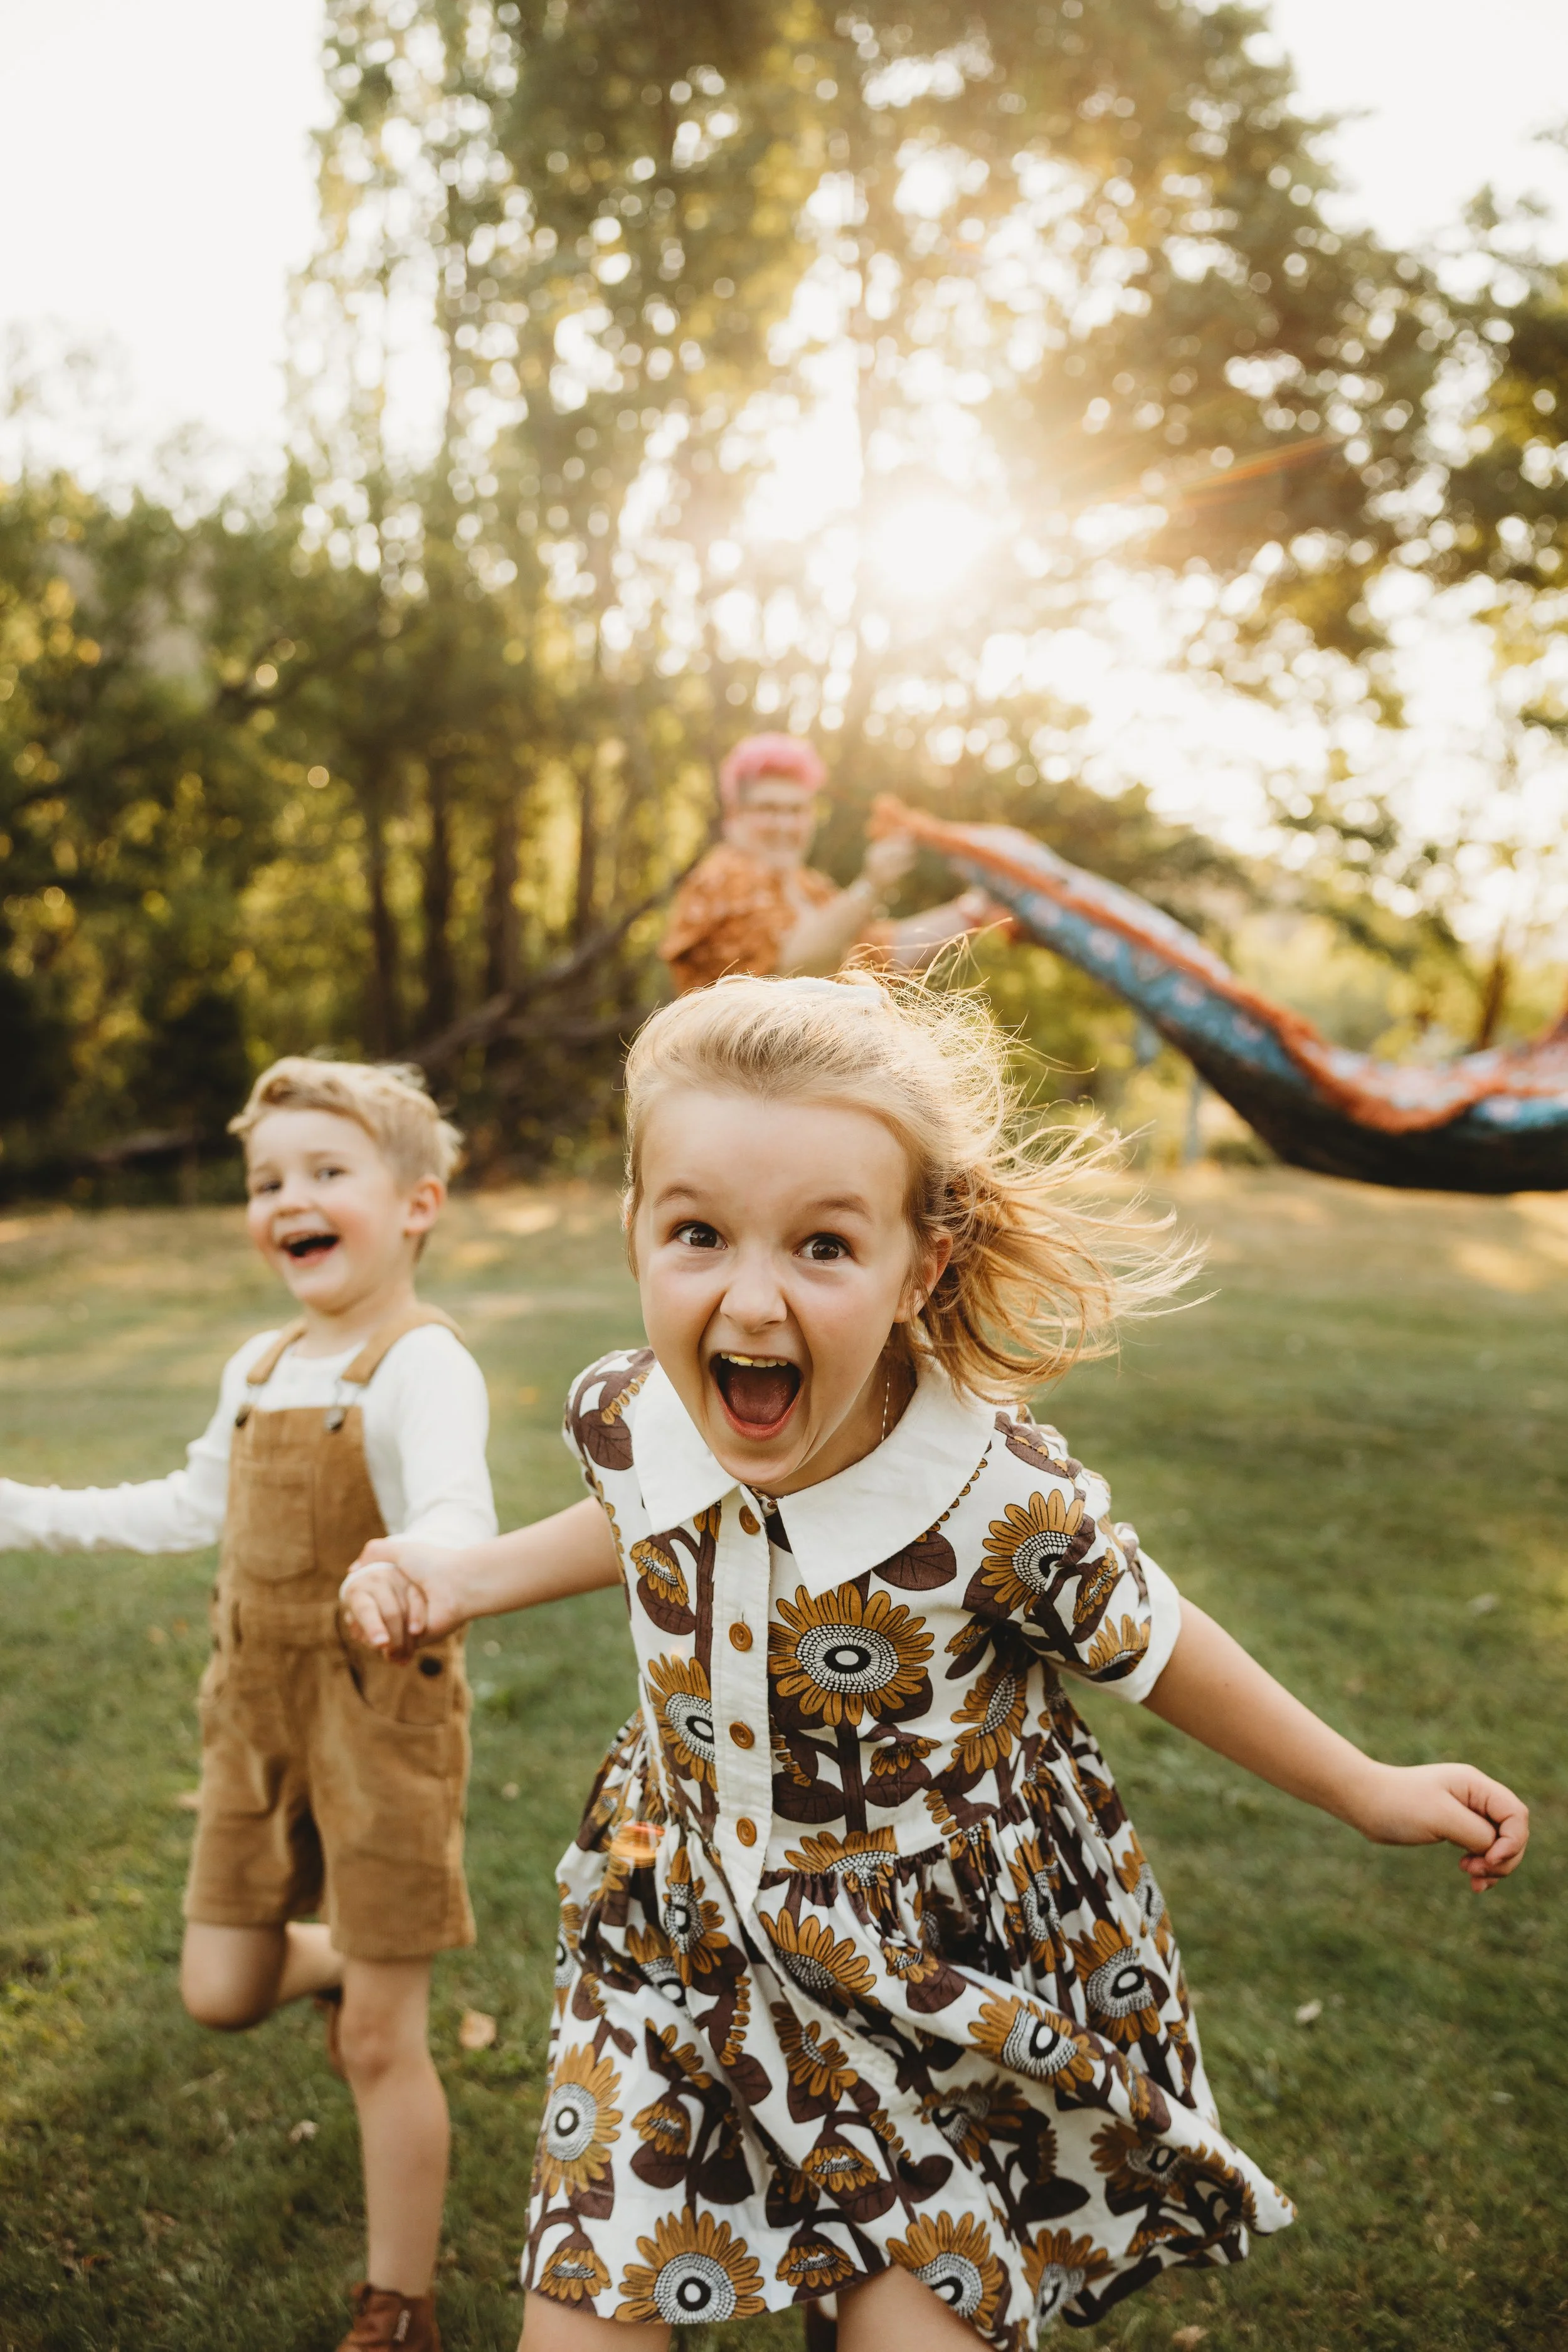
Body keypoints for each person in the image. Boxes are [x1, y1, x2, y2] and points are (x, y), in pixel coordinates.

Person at [339, 976, 1528, 2352]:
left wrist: (1366, 1785)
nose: (751, 1298)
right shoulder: (627, 1413)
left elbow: (1155, 1647)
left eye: (824, 1246)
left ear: (922, 1265)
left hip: (924, 1971)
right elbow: (648, 1523)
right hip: (677, 1931)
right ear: (635, 1232)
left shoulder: (990, 1496)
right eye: (698, 1234)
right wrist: (460, 1577)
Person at [0, 1057, 497, 2352]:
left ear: (417, 1205)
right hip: (256, 1713)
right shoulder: (261, 1365)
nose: (290, 1199)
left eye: (327, 1172)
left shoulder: (421, 1365)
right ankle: (340, 1965)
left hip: (382, 1720)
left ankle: (399, 2306)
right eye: (268, 1180)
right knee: (219, 1989)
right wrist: (20, 1510)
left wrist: (420, 1570)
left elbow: (459, 1513)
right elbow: (189, 1506)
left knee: (383, 2044)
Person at [660, 733, 1001, 995]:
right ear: (735, 817)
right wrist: (871, 885)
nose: (785, 825)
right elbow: (795, 966)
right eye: (769, 809)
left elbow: (883, 953)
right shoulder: (720, 877)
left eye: (796, 810)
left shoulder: (810, 886)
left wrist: (977, 908)